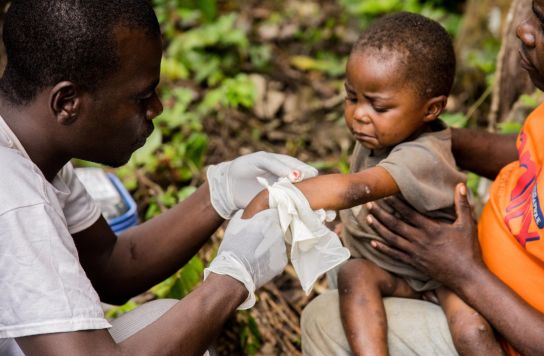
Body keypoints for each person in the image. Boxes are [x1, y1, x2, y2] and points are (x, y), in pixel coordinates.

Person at [0, 1, 319, 355]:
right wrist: (231, 280)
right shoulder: (14, 196)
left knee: (165, 323)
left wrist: (219, 192)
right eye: (141, 96)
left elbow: (111, 266)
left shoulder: (35, 152)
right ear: (66, 103)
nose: (156, 108)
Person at [301, 0, 544, 355]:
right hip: (460, 280)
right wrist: (420, 148)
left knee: (326, 320)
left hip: (502, 331)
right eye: (534, 10)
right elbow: (534, 154)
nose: (523, 29)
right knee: (347, 272)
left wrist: (465, 272)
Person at [243, 12, 501, 356]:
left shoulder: (422, 154)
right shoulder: (377, 135)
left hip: (443, 277)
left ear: (432, 109)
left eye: (378, 106)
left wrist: (276, 196)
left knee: (472, 331)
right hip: (391, 269)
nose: (360, 114)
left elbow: (357, 188)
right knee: (354, 275)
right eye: (352, 98)